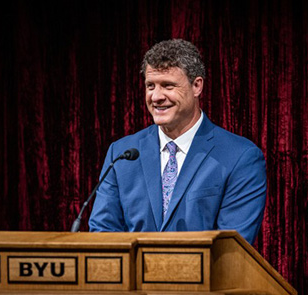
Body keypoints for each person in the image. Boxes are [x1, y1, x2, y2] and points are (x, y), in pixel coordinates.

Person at [88, 38, 266, 244]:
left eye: (168, 86)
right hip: (131, 276)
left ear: (197, 86)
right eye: (150, 86)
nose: (156, 97)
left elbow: (230, 251)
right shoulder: (121, 153)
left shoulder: (240, 157)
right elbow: (103, 233)